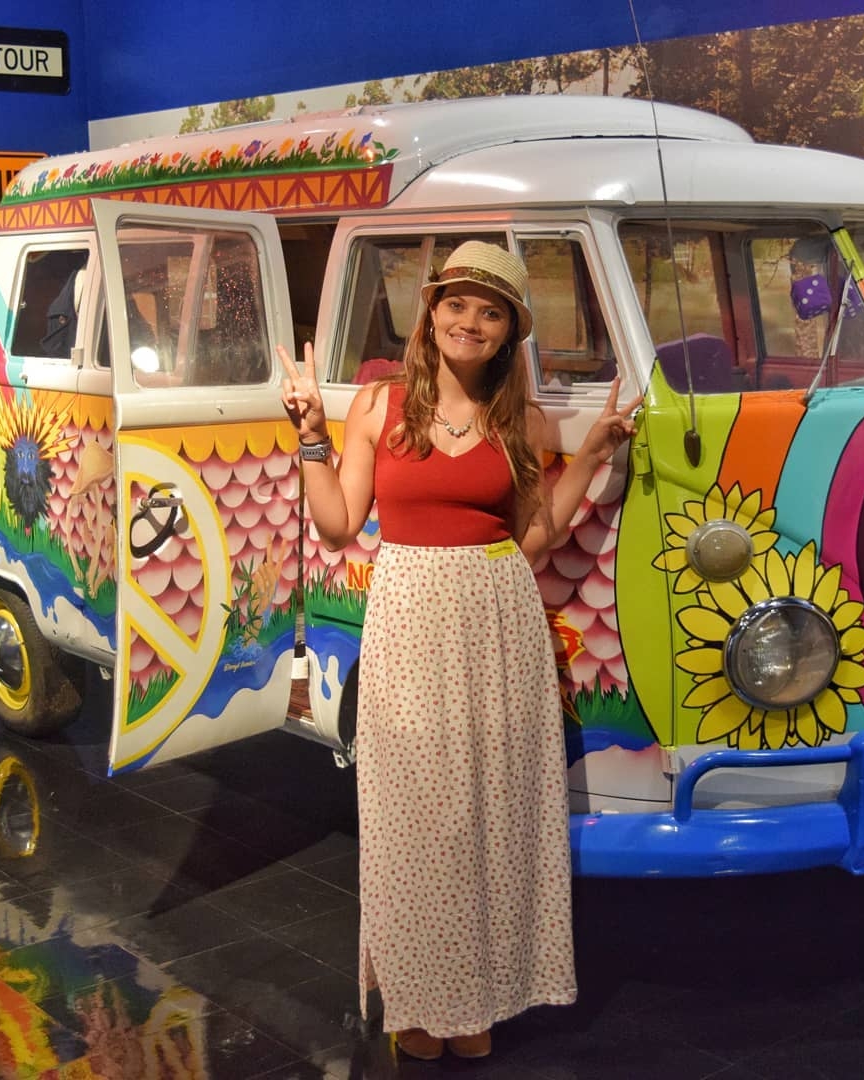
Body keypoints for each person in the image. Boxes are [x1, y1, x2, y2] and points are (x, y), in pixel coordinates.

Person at [278, 241, 639, 1062]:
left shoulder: (521, 420)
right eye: (457, 303)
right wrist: (310, 435)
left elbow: (534, 538)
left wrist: (590, 455)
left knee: (490, 813)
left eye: (491, 311)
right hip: (409, 618)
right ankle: (419, 995)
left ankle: (478, 998)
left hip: (497, 618)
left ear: (509, 330)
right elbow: (336, 525)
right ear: (431, 311)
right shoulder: (378, 406)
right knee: (413, 818)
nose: (469, 321)